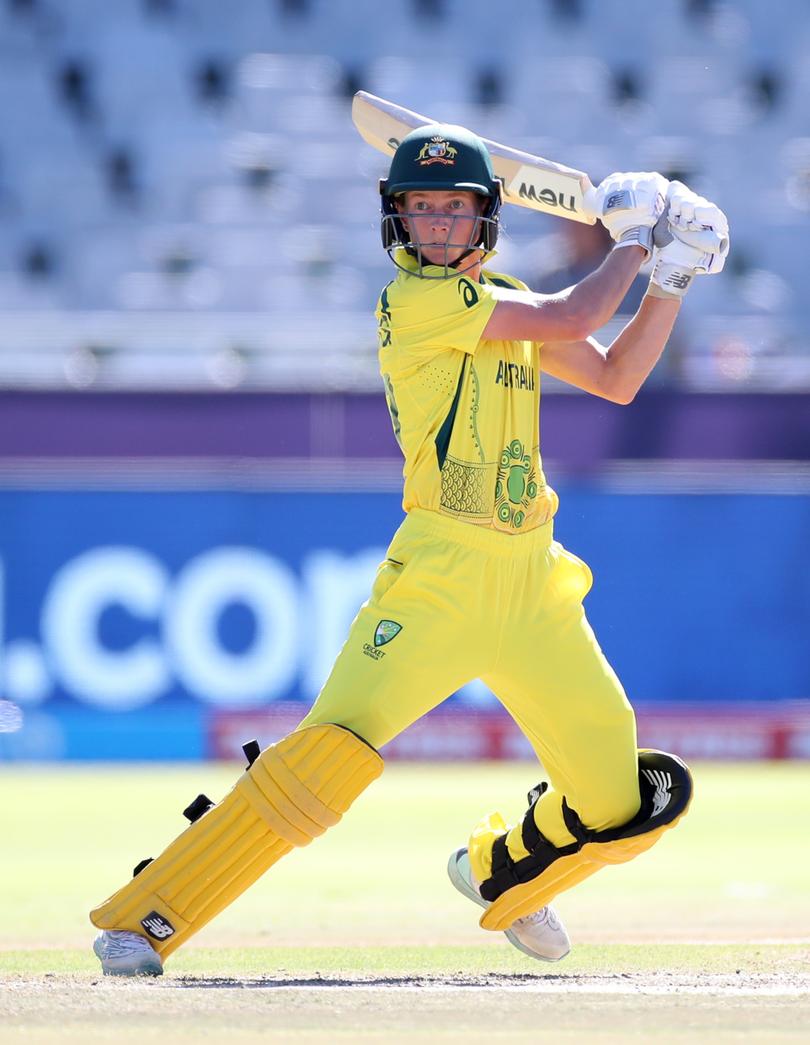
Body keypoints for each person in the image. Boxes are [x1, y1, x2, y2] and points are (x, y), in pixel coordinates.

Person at [90, 124, 728, 976]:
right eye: (420, 207)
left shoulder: (503, 297)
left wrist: (673, 279)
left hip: (534, 582)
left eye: (453, 207)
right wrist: (639, 240)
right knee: (328, 754)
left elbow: (615, 376)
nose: (436, 223)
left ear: (483, 217)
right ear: (397, 219)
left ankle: (501, 870)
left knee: (623, 798)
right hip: (442, 576)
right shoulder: (413, 303)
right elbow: (578, 310)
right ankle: (142, 919)